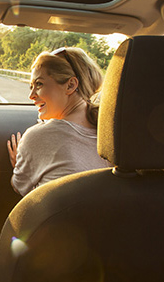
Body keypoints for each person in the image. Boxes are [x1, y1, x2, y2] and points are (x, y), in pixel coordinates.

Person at [7, 47, 111, 196]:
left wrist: (19, 165)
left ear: (70, 85)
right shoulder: (112, 133)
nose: (31, 95)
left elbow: (19, 188)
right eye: (31, 86)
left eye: (39, 84)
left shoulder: (37, 137)